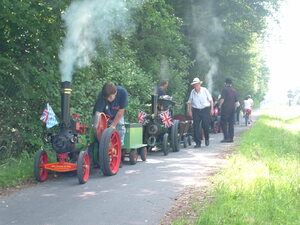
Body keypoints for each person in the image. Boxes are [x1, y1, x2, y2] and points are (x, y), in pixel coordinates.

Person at [187, 77, 214, 148]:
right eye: (194, 85)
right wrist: (189, 111)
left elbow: (211, 100)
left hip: (205, 109)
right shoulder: (192, 92)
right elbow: (190, 102)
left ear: (199, 84)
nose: (195, 86)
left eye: (197, 84)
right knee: (195, 126)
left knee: (206, 125)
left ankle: (207, 138)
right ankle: (197, 142)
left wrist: (212, 109)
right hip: (196, 110)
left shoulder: (204, 90)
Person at [219, 78, 238, 143]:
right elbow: (236, 101)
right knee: (231, 124)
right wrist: (234, 109)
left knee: (223, 123)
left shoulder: (224, 89)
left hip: (225, 109)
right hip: (232, 109)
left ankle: (226, 137)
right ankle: (231, 138)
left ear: (225, 83)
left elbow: (222, 99)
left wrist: (219, 105)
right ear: (231, 83)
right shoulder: (233, 90)